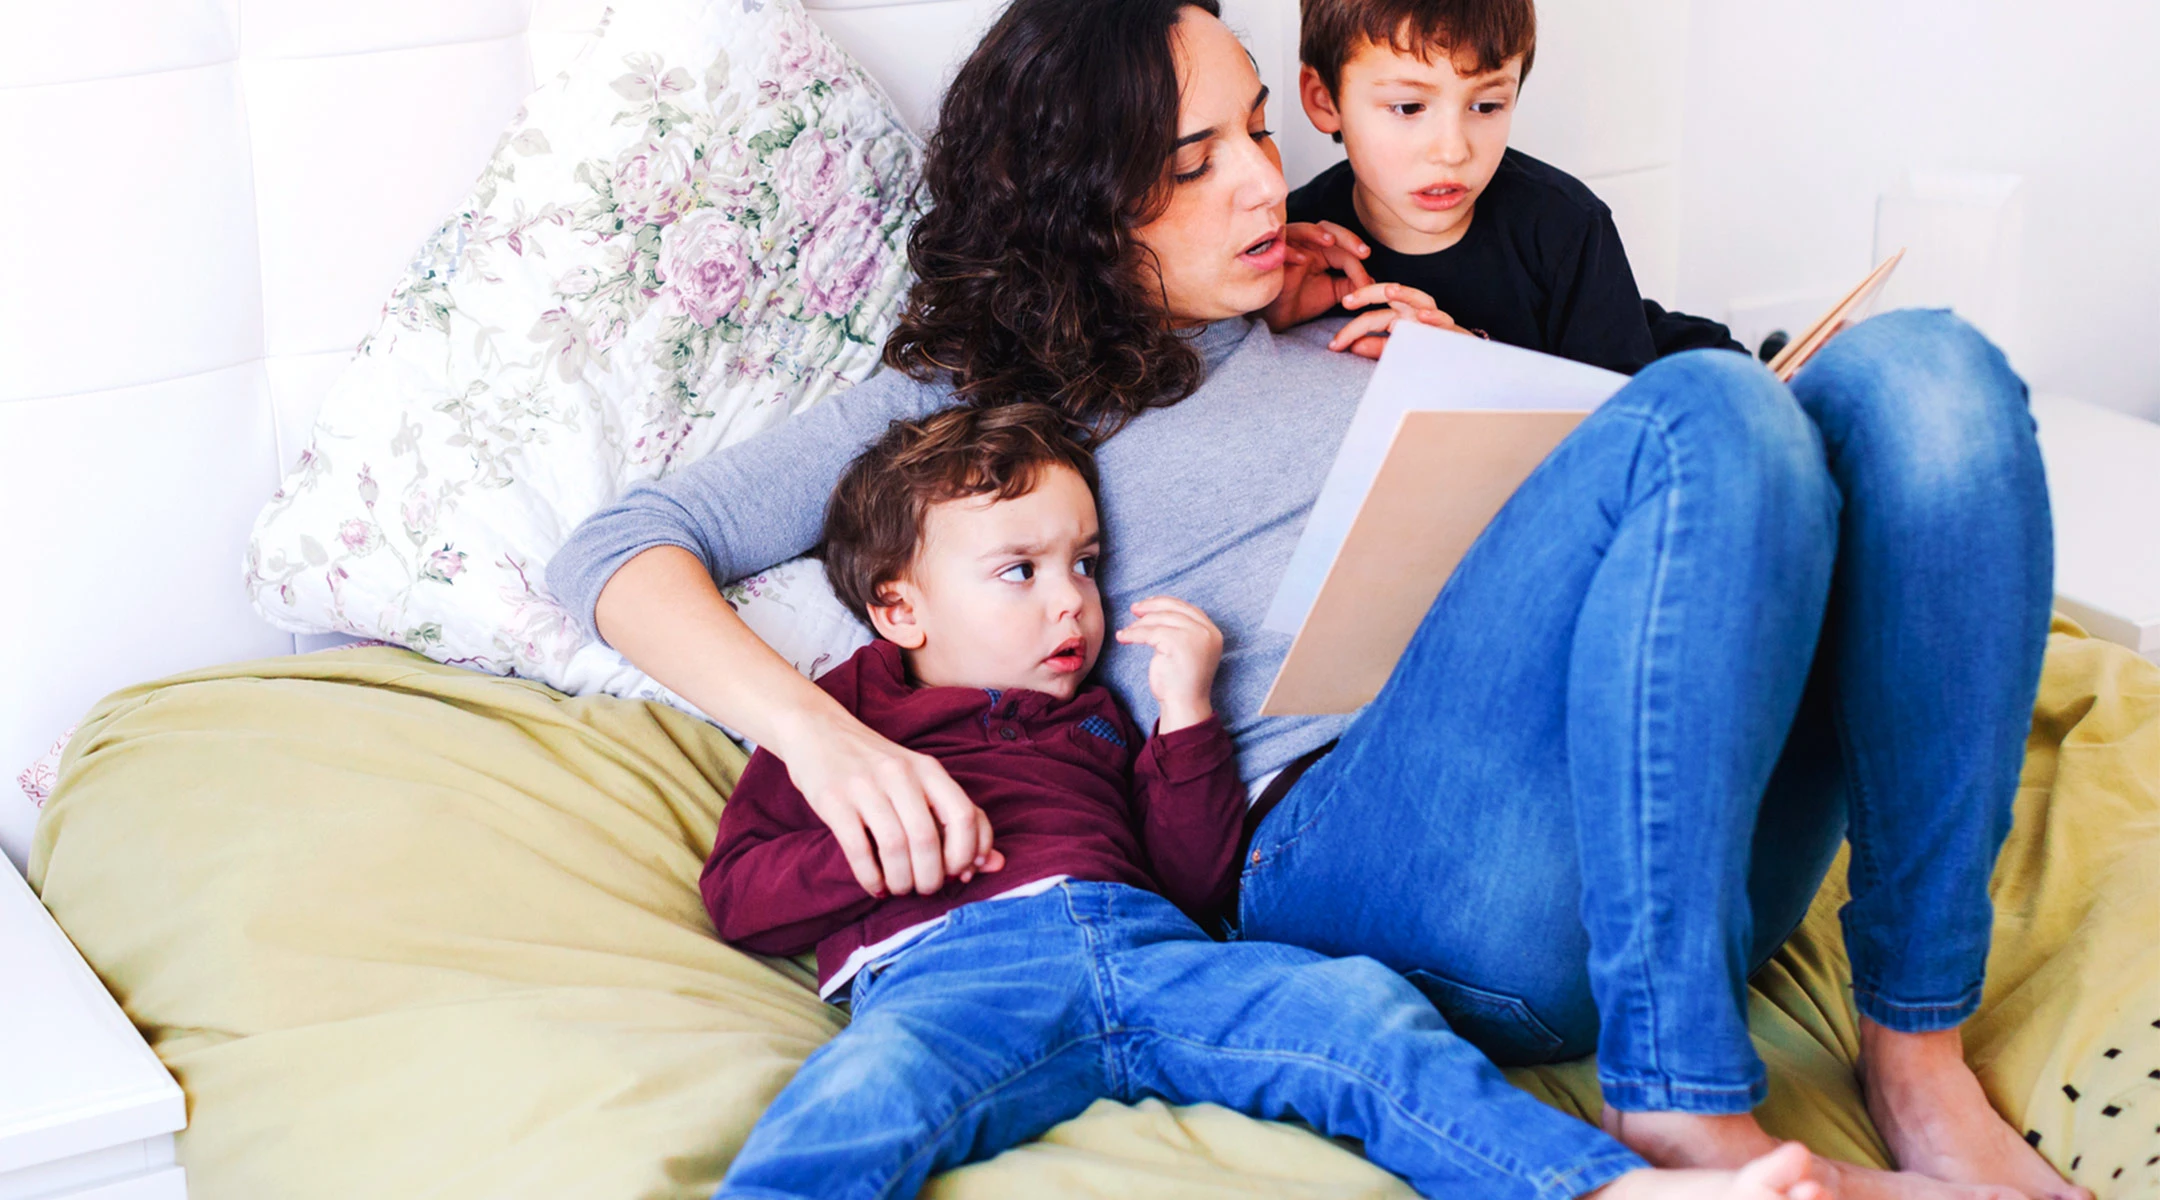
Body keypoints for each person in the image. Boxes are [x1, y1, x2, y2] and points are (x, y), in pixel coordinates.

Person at [546, 1, 2082, 1197]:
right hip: (1376, 856)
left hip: (1672, 835)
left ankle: (1917, 1054)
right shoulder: (977, 397)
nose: (1262, 183)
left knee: (1928, 374)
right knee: (1708, 408)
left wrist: (1475, 374)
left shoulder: (1358, 304)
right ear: (1079, 202)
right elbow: (622, 544)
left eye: (1260, 132)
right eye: (1192, 161)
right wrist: (828, 744)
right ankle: (1678, 1099)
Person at [704, 403, 1822, 1200]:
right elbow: (740, 897)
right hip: (957, 973)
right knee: (864, 1096)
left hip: (1154, 949)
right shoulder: (844, 719)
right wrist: (873, 849)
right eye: (1019, 571)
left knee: (1364, 1014)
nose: (1072, 603)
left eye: (1086, 563)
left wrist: (1186, 718)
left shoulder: (1100, 716)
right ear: (899, 609)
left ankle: (1593, 1185)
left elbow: (1193, 878)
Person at [1276, 0, 1742, 371]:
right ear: (1325, 100)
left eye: (1486, 106)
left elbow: (1615, 422)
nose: (1453, 151)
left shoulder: (1566, 225)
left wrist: (1479, 363)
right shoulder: (1298, 238)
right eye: (1408, 107)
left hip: (1685, 368)